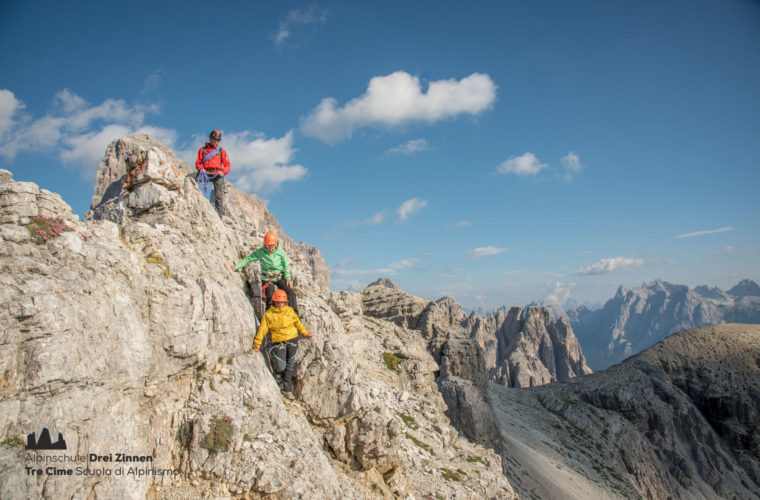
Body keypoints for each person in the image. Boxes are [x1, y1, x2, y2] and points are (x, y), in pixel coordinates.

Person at [253, 289, 313, 399]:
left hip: (292, 340)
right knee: (281, 366)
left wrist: (305, 333)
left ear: (285, 302)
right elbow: (262, 330)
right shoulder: (269, 314)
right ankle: (278, 374)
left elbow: (298, 324)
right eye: (278, 302)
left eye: (282, 302)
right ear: (274, 302)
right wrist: (257, 344)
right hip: (279, 341)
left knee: (290, 366)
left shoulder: (290, 311)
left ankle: (287, 389)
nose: (280, 304)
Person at [232, 232, 299, 314]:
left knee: (291, 294)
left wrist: (287, 277)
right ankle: (268, 320)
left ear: (276, 244)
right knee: (270, 296)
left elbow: (286, 264)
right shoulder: (260, 252)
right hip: (267, 278)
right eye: (269, 246)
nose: (271, 248)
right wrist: (236, 267)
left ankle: (295, 317)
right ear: (265, 245)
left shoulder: (280, 251)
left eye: (273, 246)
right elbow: (248, 259)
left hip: (279, 276)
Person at [195, 129, 230, 218]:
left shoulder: (222, 151)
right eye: (214, 139)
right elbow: (198, 163)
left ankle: (219, 217)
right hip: (205, 173)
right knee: (202, 193)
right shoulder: (202, 150)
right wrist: (200, 169)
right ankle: (202, 213)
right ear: (210, 138)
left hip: (217, 174)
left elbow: (227, 165)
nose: (215, 141)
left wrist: (223, 172)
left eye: (217, 140)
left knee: (219, 196)